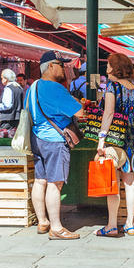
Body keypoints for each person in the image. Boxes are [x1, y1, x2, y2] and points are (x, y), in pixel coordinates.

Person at [26, 51, 84, 240]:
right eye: (60, 64)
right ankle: (57, 227)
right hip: (54, 140)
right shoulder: (55, 88)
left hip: (37, 138)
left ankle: (43, 221)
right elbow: (80, 112)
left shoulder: (33, 87)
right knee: (55, 183)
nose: (63, 68)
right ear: (50, 66)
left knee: (40, 180)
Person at [95, 54, 134, 237]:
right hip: (132, 136)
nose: (106, 67)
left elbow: (109, 113)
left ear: (114, 67)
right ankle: (130, 224)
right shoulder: (133, 87)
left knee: (112, 181)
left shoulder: (111, 86)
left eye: (108, 64)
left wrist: (101, 139)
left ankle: (112, 225)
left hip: (114, 137)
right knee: (129, 181)